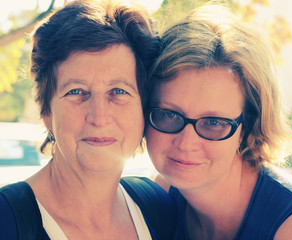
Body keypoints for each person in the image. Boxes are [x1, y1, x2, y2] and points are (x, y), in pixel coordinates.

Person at [145, 4, 292, 240]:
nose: (186, 143)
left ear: (248, 127)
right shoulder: (163, 194)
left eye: (213, 122)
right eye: (169, 115)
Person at [0, 1, 176, 239]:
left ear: (143, 109)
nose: (99, 117)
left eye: (119, 91)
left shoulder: (158, 209)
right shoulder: (7, 222)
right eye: (76, 92)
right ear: (47, 113)